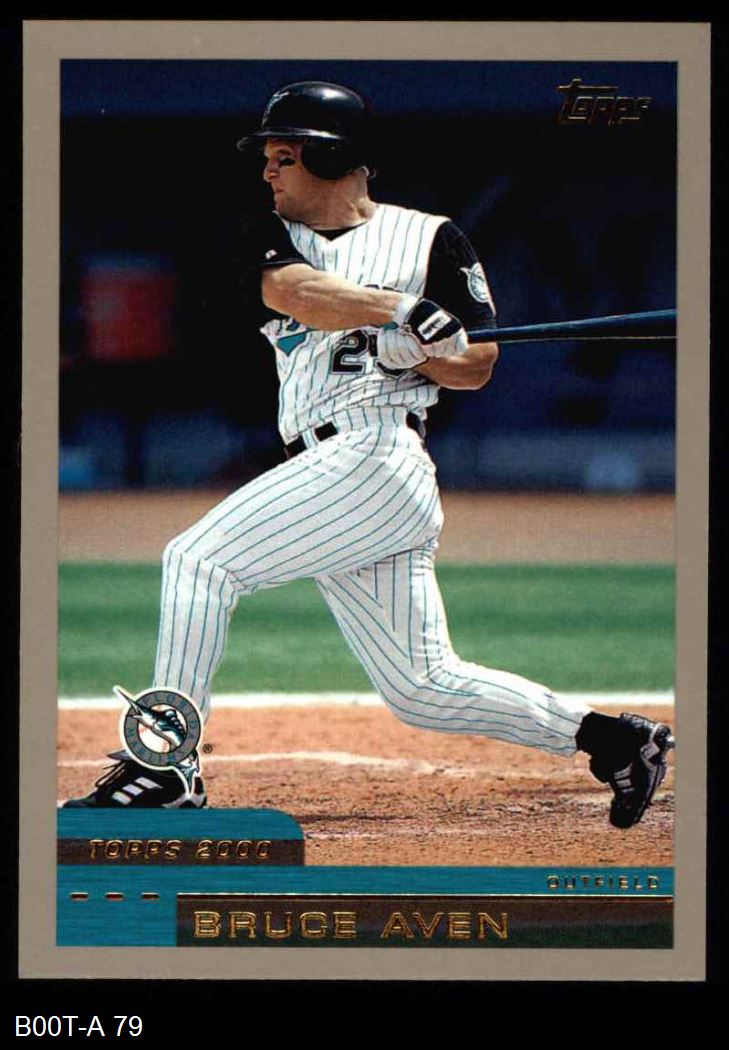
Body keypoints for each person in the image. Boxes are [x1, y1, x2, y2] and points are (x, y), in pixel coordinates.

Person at [64, 81, 674, 826]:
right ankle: (617, 741)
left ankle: (164, 768)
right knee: (422, 687)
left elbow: (476, 366)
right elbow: (300, 296)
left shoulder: (433, 239)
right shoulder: (270, 233)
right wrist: (399, 312)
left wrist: (427, 352)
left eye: (284, 156)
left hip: (377, 454)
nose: (268, 170)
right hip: (331, 468)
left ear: (331, 155)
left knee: (198, 561)